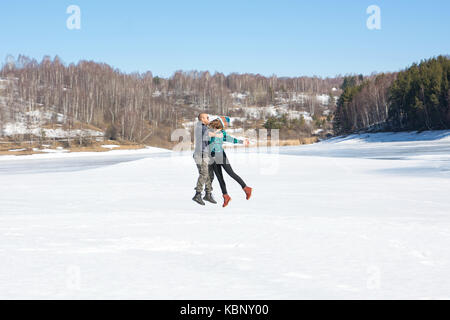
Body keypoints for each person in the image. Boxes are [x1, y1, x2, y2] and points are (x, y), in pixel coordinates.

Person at [208, 117, 252, 208]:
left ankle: (246, 188)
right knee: (220, 178)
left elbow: (232, 139)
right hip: (212, 156)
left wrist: (242, 141)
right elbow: (207, 135)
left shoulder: (222, 134)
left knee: (231, 173)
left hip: (220, 155)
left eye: (212, 126)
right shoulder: (210, 133)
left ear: (216, 126)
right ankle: (226, 196)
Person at [192, 113, 217, 206]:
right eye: (207, 117)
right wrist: (217, 134)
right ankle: (197, 194)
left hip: (204, 154)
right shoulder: (199, 126)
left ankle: (208, 194)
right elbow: (208, 133)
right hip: (200, 154)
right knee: (204, 174)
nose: (209, 119)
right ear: (202, 118)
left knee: (209, 175)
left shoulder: (204, 126)